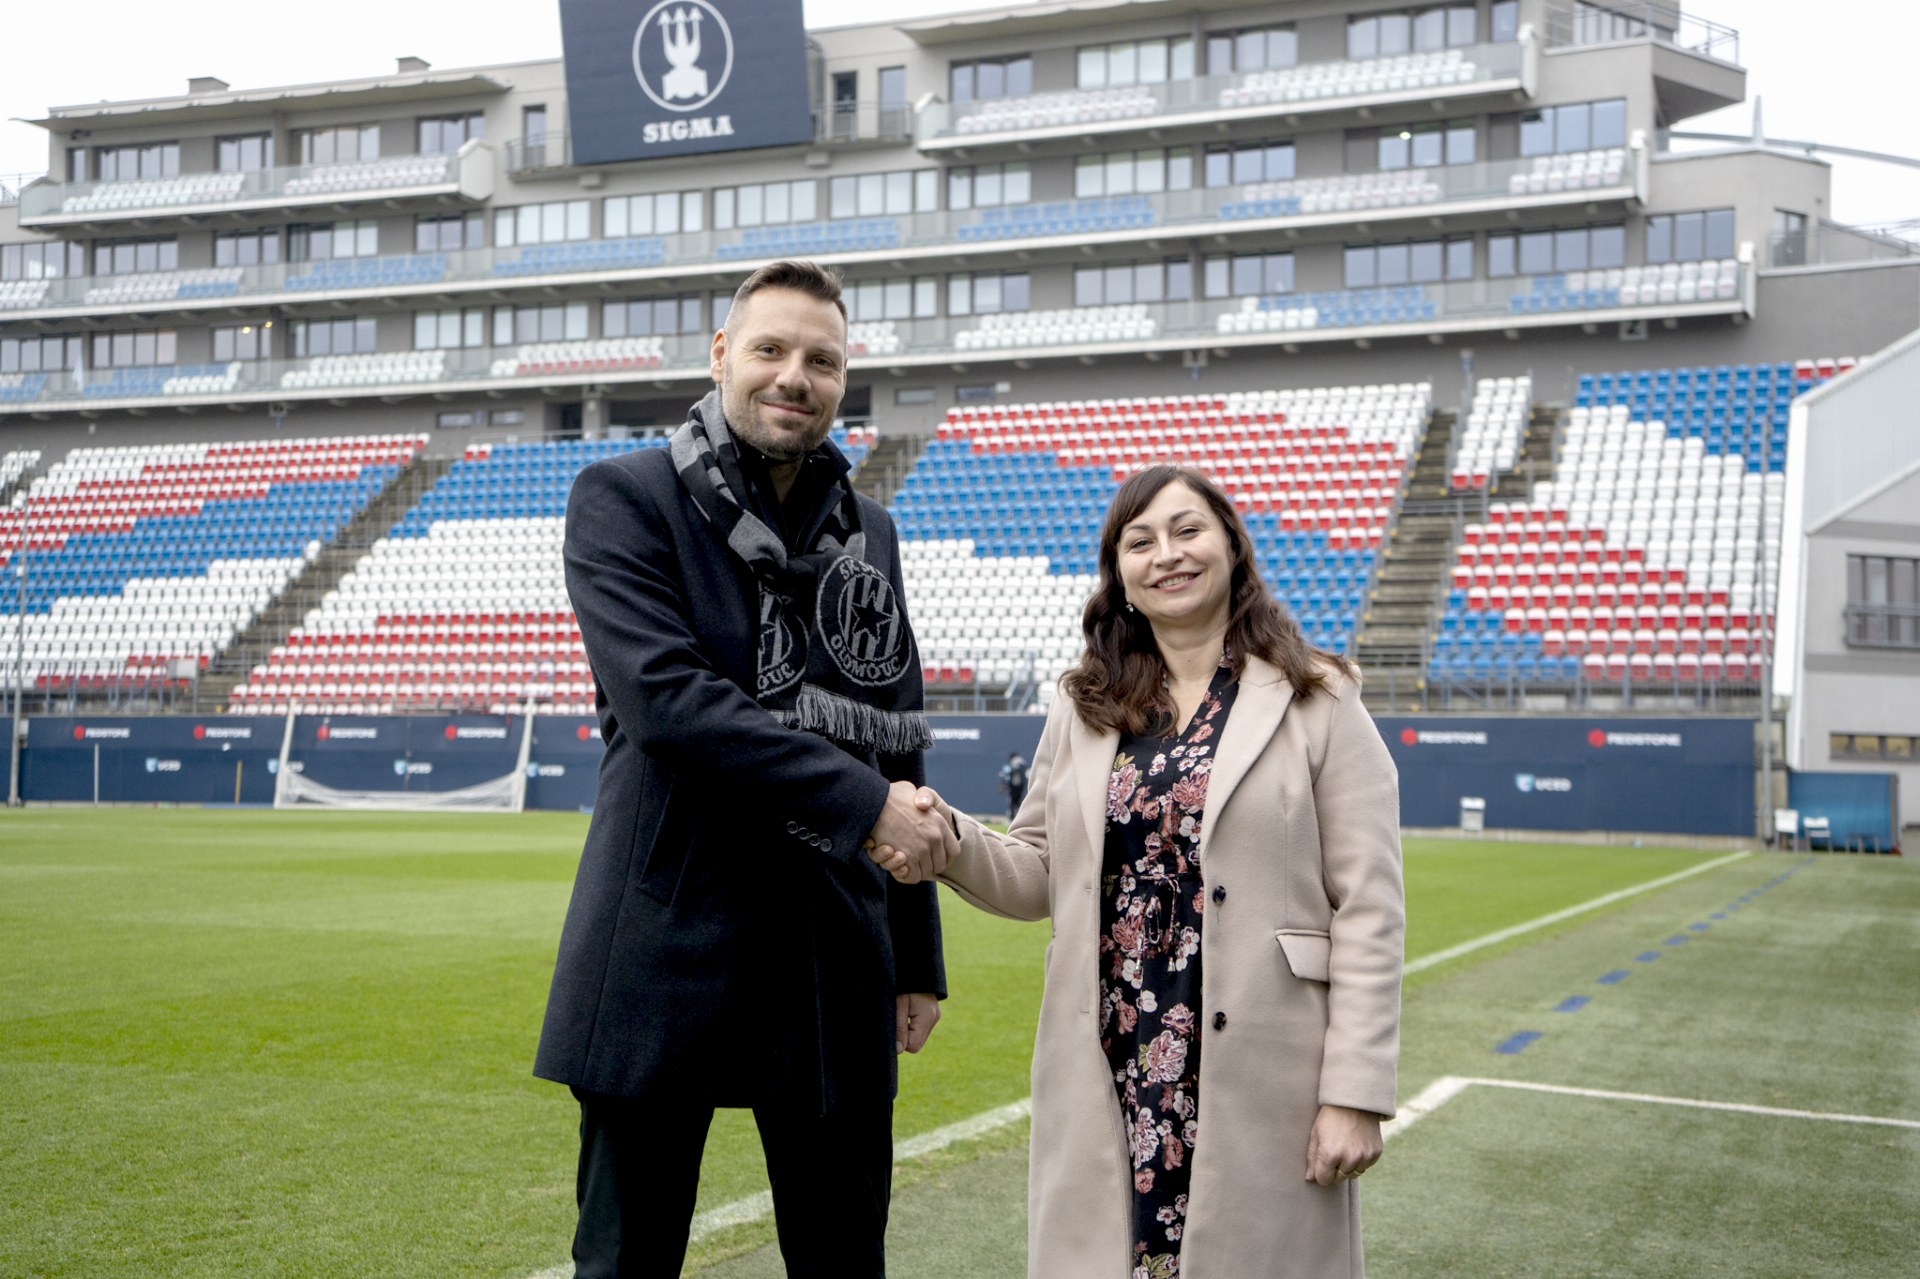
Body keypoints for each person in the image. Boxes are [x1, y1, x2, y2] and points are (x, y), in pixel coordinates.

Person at [871, 465, 1405, 1278]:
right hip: (1113, 1049)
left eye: (1188, 530)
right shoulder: (1083, 704)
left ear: (1232, 545)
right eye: (1141, 540)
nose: (1168, 554)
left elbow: (1369, 906)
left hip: (1264, 1064)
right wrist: (947, 836)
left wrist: (1355, 1093)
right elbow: (1038, 868)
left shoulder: (1319, 695)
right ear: (1118, 572)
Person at [536, 260, 958, 1279]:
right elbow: (670, 705)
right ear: (723, 354)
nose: (794, 376)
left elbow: (893, 735)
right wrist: (866, 805)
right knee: (627, 1265)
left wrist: (913, 952)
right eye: (771, 349)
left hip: (831, 944)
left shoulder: (871, 531)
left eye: (822, 359)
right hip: (667, 935)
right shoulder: (625, 497)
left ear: (843, 379)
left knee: (844, 1261)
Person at [999, 750, 1030, 821]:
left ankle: (1013, 817)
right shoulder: (1022, 761)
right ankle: (1021, 816)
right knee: (1019, 801)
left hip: (1015, 785)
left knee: (1013, 802)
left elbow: (1011, 773)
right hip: (1021, 785)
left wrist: (1005, 784)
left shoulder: (1014, 762)